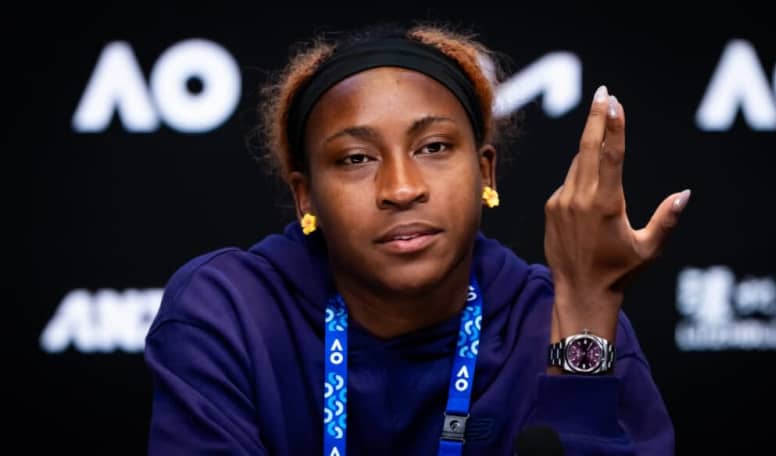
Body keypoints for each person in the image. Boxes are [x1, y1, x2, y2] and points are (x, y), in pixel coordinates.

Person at [144, 21, 686, 455]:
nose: (401, 189)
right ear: (305, 197)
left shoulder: (556, 321)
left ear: (486, 172)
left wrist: (587, 308)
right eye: (356, 158)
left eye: (433, 148)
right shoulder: (231, 313)